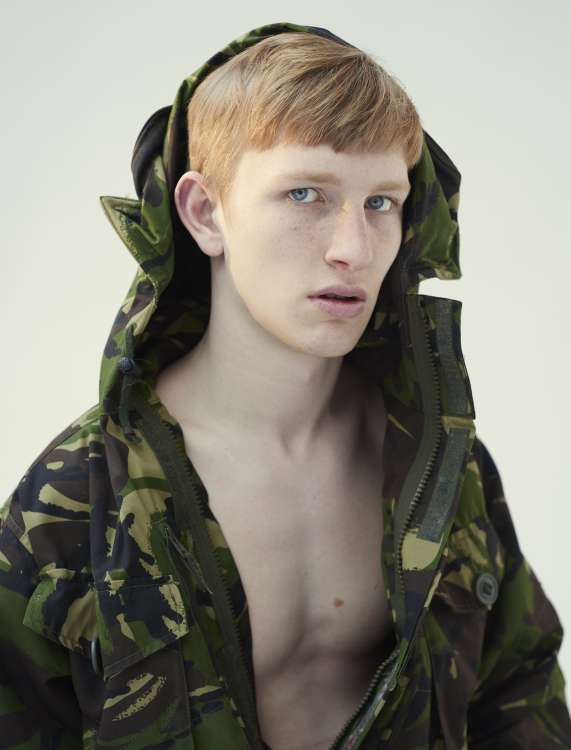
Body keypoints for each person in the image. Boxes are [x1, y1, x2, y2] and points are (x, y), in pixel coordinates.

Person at [0, 20, 569, 750]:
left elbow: (518, 692)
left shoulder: (439, 467)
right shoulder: (76, 500)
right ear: (205, 212)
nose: (352, 249)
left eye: (381, 202)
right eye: (305, 194)